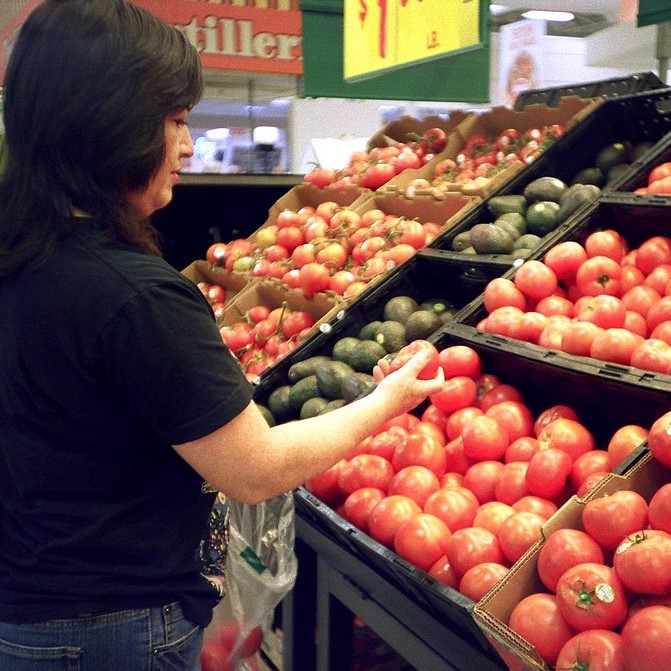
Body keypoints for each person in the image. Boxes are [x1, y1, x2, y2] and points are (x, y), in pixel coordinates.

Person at [0, 2, 444, 669]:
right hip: (115, 625)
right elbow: (254, 470)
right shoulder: (135, 295)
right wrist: (388, 399)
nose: (186, 147)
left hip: (29, 604)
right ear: (109, 125)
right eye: (174, 121)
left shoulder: (21, 253)